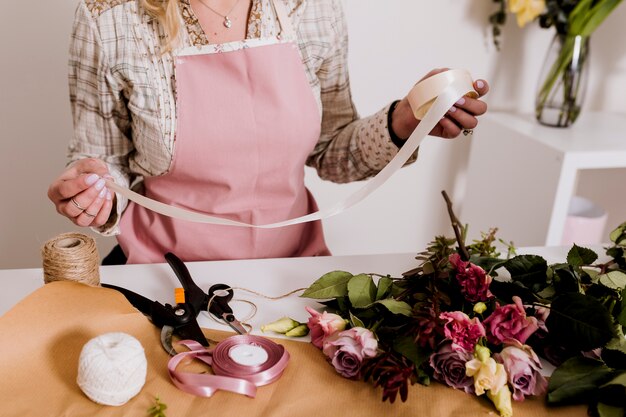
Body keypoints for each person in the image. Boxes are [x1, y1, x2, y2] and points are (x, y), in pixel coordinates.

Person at [48, 0, 489, 265]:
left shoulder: (311, 8)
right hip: (162, 271)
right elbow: (103, 165)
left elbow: (332, 153)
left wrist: (405, 120)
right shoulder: (108, 19)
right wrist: (94, 196)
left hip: (290, 272)